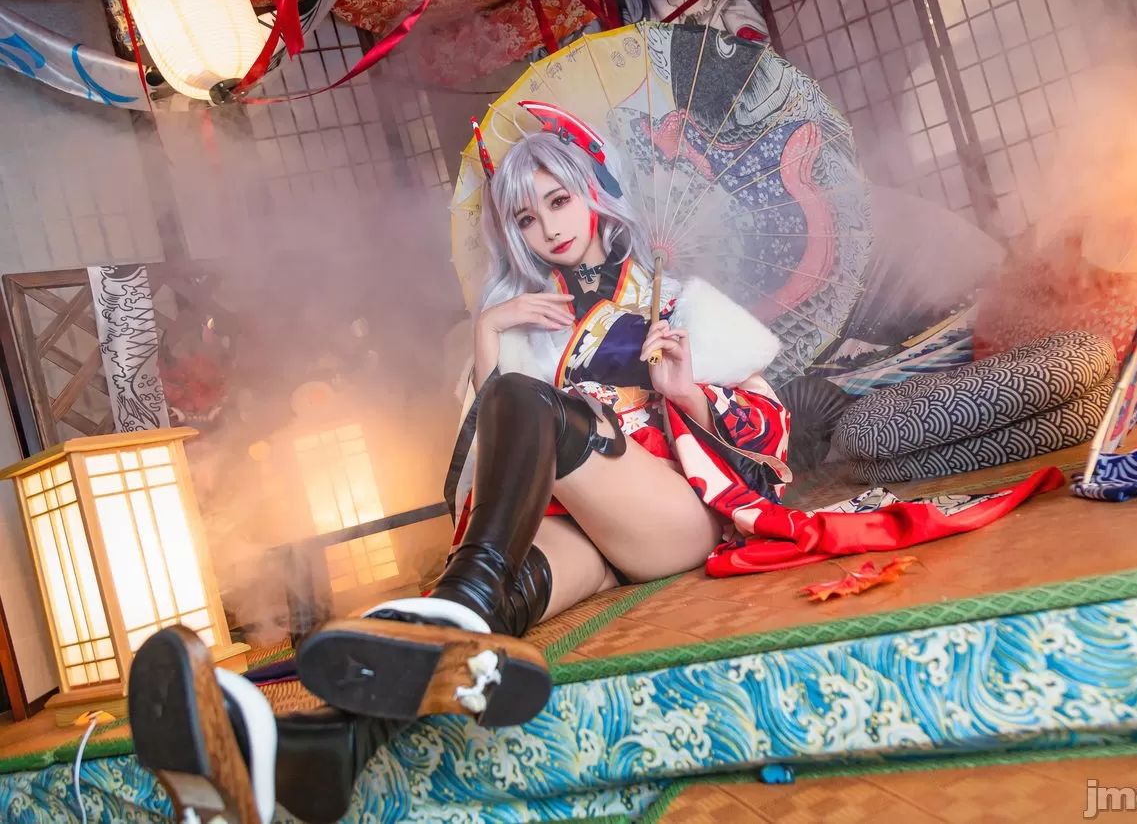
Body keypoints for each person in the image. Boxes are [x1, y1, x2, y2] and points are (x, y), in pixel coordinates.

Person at [127, 106, 789, 823]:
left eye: (559, 201)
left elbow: (767, 443)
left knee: (524, 419)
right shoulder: (526, 316)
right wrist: (489, 329)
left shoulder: (680, 300)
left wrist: (688, 393)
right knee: (501, 591)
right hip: (585, 533)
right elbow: (488, 453)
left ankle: (449, 605)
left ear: (595, 193)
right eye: (527, 219)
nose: (549, 228)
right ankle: (316, 753)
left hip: (669, 518)